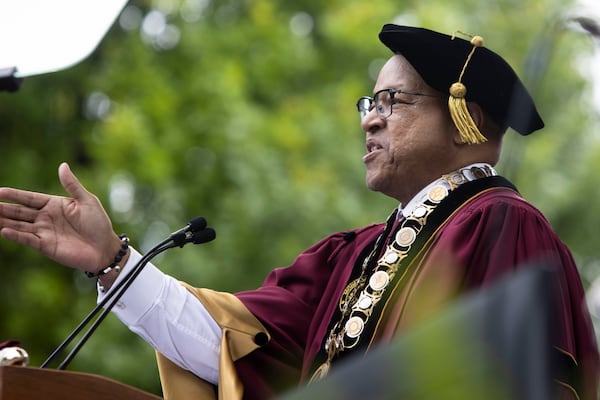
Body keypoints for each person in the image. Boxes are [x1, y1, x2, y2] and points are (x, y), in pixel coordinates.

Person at [0, 24, 598, 399]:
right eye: (370, 101)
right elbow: (231, 347)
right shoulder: (353, 256)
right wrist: (111, 260)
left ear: (465, 119)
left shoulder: (501, 226)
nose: (369, 118)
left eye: (393, 100)